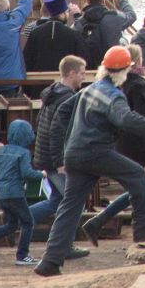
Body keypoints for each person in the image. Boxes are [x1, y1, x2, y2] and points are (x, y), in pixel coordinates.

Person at [36, 46, 145, 277]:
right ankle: (144, 228)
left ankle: (50, 261)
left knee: (69, 207)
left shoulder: (90, 89)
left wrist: (68, 141)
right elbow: (126, 119)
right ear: (124, 71)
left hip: (74, 153)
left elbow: (62, 112)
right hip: (95, 151)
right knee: (137, 175)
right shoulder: (113, 95)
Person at [81, 56, 145, 243]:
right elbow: (138, 117)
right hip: (143, 143)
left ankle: (99, 220)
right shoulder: (138, 85)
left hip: (122, 143)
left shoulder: (107, 88)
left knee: (137, 186)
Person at [21, 55, 89, 261]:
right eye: (82, 73)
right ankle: (63, 246)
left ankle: (18, 219)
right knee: (73, 201)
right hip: (56, 161)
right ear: (71, 73)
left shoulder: (52, 94)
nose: (84, 77)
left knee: (56, 201)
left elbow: (43, 124)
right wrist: (60, 162)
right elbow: (57, 132)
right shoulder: (66, 98)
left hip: (45, 157)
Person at [0, 120, 40, 265]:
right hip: (16, 193)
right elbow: (26, 173)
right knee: (28, 222)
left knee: (11, 224)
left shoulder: (2, 150)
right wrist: (41, 174)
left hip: (2, 194)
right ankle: (22, 255)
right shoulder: (24, 153)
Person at [76, 0, 137, 70]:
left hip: (90, 68)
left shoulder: (80, 22)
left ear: (88, 0)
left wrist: (76, 15)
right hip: (113, 66)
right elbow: (132, 16)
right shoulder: (114, 17)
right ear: (103, 0)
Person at [24, 0, 82, 74]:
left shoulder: (35, 33)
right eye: (67, 12)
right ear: (62, 13)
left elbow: (27, 60)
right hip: (66, 81)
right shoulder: (73, 34)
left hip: (39, 83)